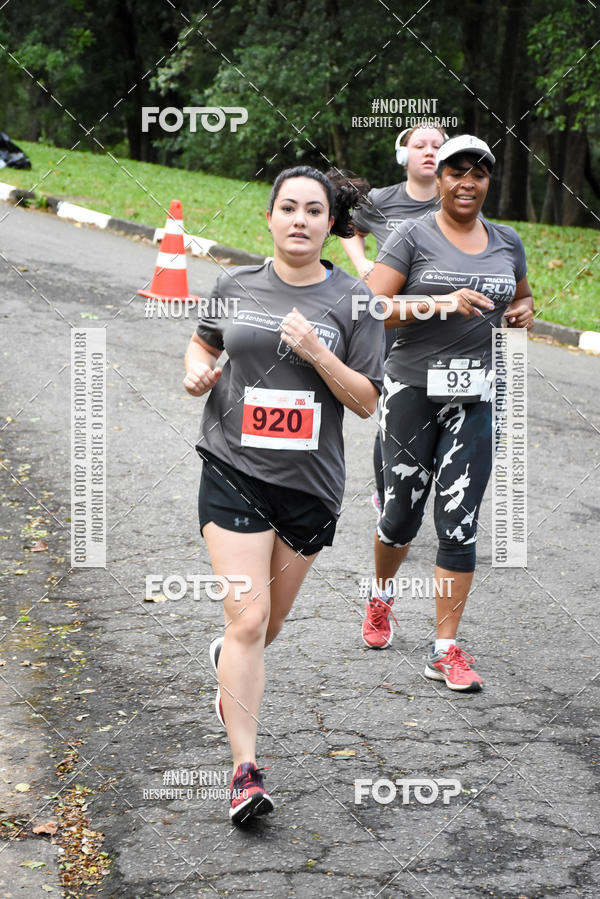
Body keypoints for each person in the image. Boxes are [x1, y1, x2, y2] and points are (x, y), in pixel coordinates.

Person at [184, 166, 384, 824]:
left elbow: (365, 402)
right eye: (288, 208)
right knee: (245, 620)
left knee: (263, 627)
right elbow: (203, 342)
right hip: (233, 468)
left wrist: (317, 354)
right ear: (269, 217)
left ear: (332, 225)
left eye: (313, 211)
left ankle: (230, 667)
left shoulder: (355, 301)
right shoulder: (234, 282)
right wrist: (196, 372)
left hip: (308, 489)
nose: (299, 219)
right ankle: (245, 771)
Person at [361, 135, 534, 692]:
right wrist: (441, 302)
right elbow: (373, 307)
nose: (466, 182)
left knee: (459, 524)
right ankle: (382, 596)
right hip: (411, 392)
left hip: (476, 398)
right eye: (456, 171)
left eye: (478, 173)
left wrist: (524, 310)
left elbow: (523, 296)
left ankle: (445, 649)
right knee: (400, 518)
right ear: (440, 179)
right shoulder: (413, 235)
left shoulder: (507, 241)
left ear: (488, 181)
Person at [340, 125, 447, 521]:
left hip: (440, 321)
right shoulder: (382, 200)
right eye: (419, 145)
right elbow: (349, 227)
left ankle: (428, 489)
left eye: (437, 145)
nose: (429, 152)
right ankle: (388, 495)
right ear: (403, 157)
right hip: (389, 323)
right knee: (394, 409)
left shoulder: (455, 200)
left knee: (435, 408)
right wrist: (363, 264)